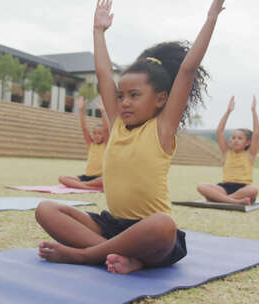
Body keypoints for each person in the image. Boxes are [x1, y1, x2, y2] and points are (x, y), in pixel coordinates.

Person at [35, 0, 224, 274]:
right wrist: (98, 31)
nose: (124, 102)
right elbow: (103, 72)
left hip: (149, 230)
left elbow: (187, 70)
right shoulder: (118, 124)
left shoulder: (162, 129)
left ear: (160, 99)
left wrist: (211, 18)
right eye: (121, 95)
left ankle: (87, 255)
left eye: (134, 96)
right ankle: (120, 256)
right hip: (111, 224)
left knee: (164, 225)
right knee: (46, 209)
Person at [197, 96, 259, 205]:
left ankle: (220, 199)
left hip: (243, 188)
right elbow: (219, 132)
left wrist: (253, 111)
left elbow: (256, 134)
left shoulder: (250, 154)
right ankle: (233, 201)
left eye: (240, 138)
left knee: (253, 190)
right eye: (233, 137)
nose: (235, 140)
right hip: (225, 187)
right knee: (201, 186)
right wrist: (228, 111)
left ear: (248, 142)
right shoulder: (227, 152)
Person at [58, 96, 109, 190]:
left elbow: (106, 129)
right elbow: (84, 128)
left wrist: (102, 111)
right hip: (86, 177)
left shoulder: (106, 145)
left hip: (99, 177)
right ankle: (88, 186)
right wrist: (81, 110)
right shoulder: (91, 144)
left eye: (99, 134)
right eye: (95, 133)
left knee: (106, 179)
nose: (96, 135)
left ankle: (83, 186)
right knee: (62, 178)